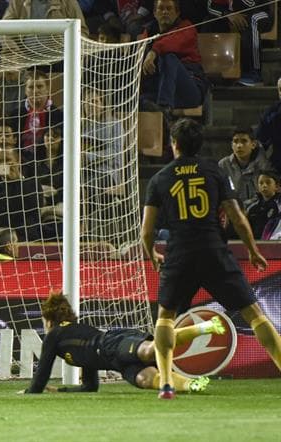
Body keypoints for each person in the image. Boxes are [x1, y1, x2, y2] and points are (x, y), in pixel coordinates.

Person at [140, 118, 281, 399]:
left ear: (174, 144)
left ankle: (166, 382)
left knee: (165, 318)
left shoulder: (160, 178)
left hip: (179, 253)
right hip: (213, 250)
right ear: (199, 144)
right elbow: (237, 216)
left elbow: (146, 231)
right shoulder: (214, 172)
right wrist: (253, 250)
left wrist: (152, 254)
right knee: (253, 314)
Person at [22, 291, 220, 394]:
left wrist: (31, 391)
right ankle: (191, 385)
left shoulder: (54, 335)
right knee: (146, 380)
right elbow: (90, 387)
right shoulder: (75, 338)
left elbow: (42, 373)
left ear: (49, 319)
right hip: (117, 364)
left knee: (148, 352)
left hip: (113, 342)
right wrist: (61, 390)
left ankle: (205, 327)